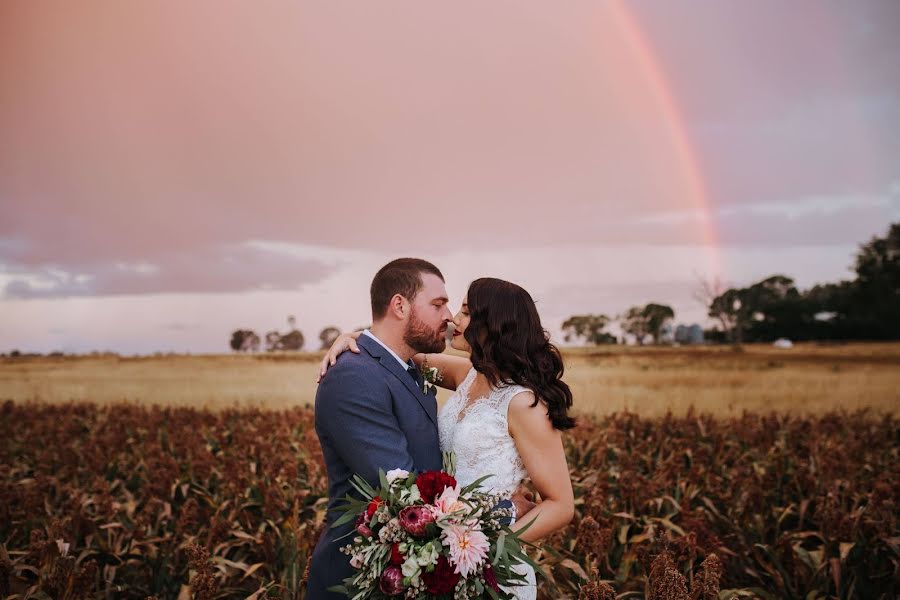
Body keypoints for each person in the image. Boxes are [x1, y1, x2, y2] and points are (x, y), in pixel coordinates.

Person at [320, 276, 576, 600]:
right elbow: (399, 354)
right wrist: (353, 339)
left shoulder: (523, 404)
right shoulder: (466, 375)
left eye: (466, 311)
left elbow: (561, 504)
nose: (454, 318)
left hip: (489, 564)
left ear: (492, 324)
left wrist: (490, 549)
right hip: (445, 554)